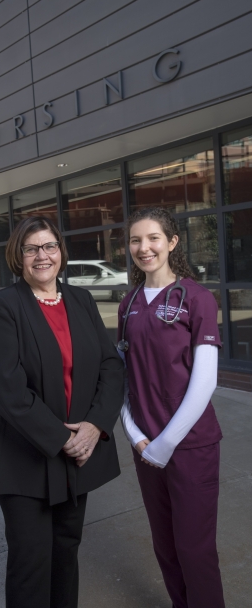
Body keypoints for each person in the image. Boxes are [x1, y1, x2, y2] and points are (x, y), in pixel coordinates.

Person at [0, 215, 124, 608]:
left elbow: (111, 365)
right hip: (27, 458)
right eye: (31, 248)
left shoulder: (81, 299)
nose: (42, 256)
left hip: (78, 455)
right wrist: (64, 439)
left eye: (50, 246)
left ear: (61, 251)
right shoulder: (1, 306)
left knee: (66, 554)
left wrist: (95, 425)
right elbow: (7, 389)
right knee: (31, 563)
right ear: (18, 256)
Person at [119, 207, 225, 608]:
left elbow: (205, 380)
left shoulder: (196, 298)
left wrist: (165, 444)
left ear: (172, 242)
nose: (143, 248)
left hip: (190, 446)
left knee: (195, 550)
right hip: (145, 447)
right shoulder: (128, 303)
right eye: (135, 240)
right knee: (165, 546)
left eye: (153, 239)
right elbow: (126, 377)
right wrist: (137, 436)